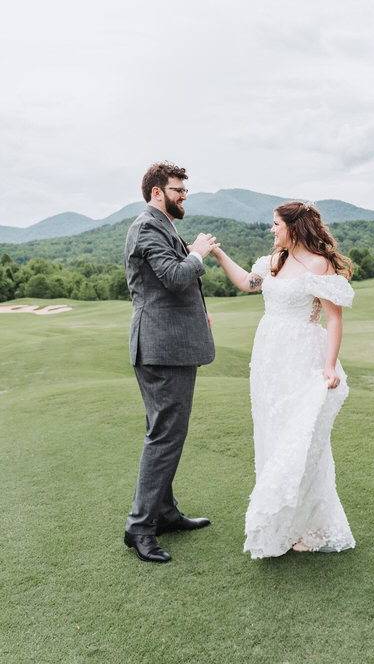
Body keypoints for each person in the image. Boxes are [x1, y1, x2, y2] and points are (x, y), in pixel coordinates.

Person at [213, 201, 355, 558]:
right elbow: (248, 282)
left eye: (276, 224)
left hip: (301, 355)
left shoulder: (318, 265)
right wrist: (216, 252)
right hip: (268, 358)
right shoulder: (273, 260)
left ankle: (310, 524)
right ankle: (283, 524)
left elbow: (334, 320)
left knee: (301, 439)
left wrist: (329, 366)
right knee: (272, 434)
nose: (271, 230)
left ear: (294, 227)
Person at [123, 161, 219, 563]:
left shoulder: (163, 224)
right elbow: (175, 276)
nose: (183, 196)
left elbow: (174, 287)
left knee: (164, 432)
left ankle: (163, 511)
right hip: (162, 349)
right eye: (178, 190)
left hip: (169, 344)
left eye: (184, 190)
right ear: (157, 192)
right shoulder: (147, 226)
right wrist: (197, 254)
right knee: (165, 437)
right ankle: (139, 527)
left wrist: (201, 311)